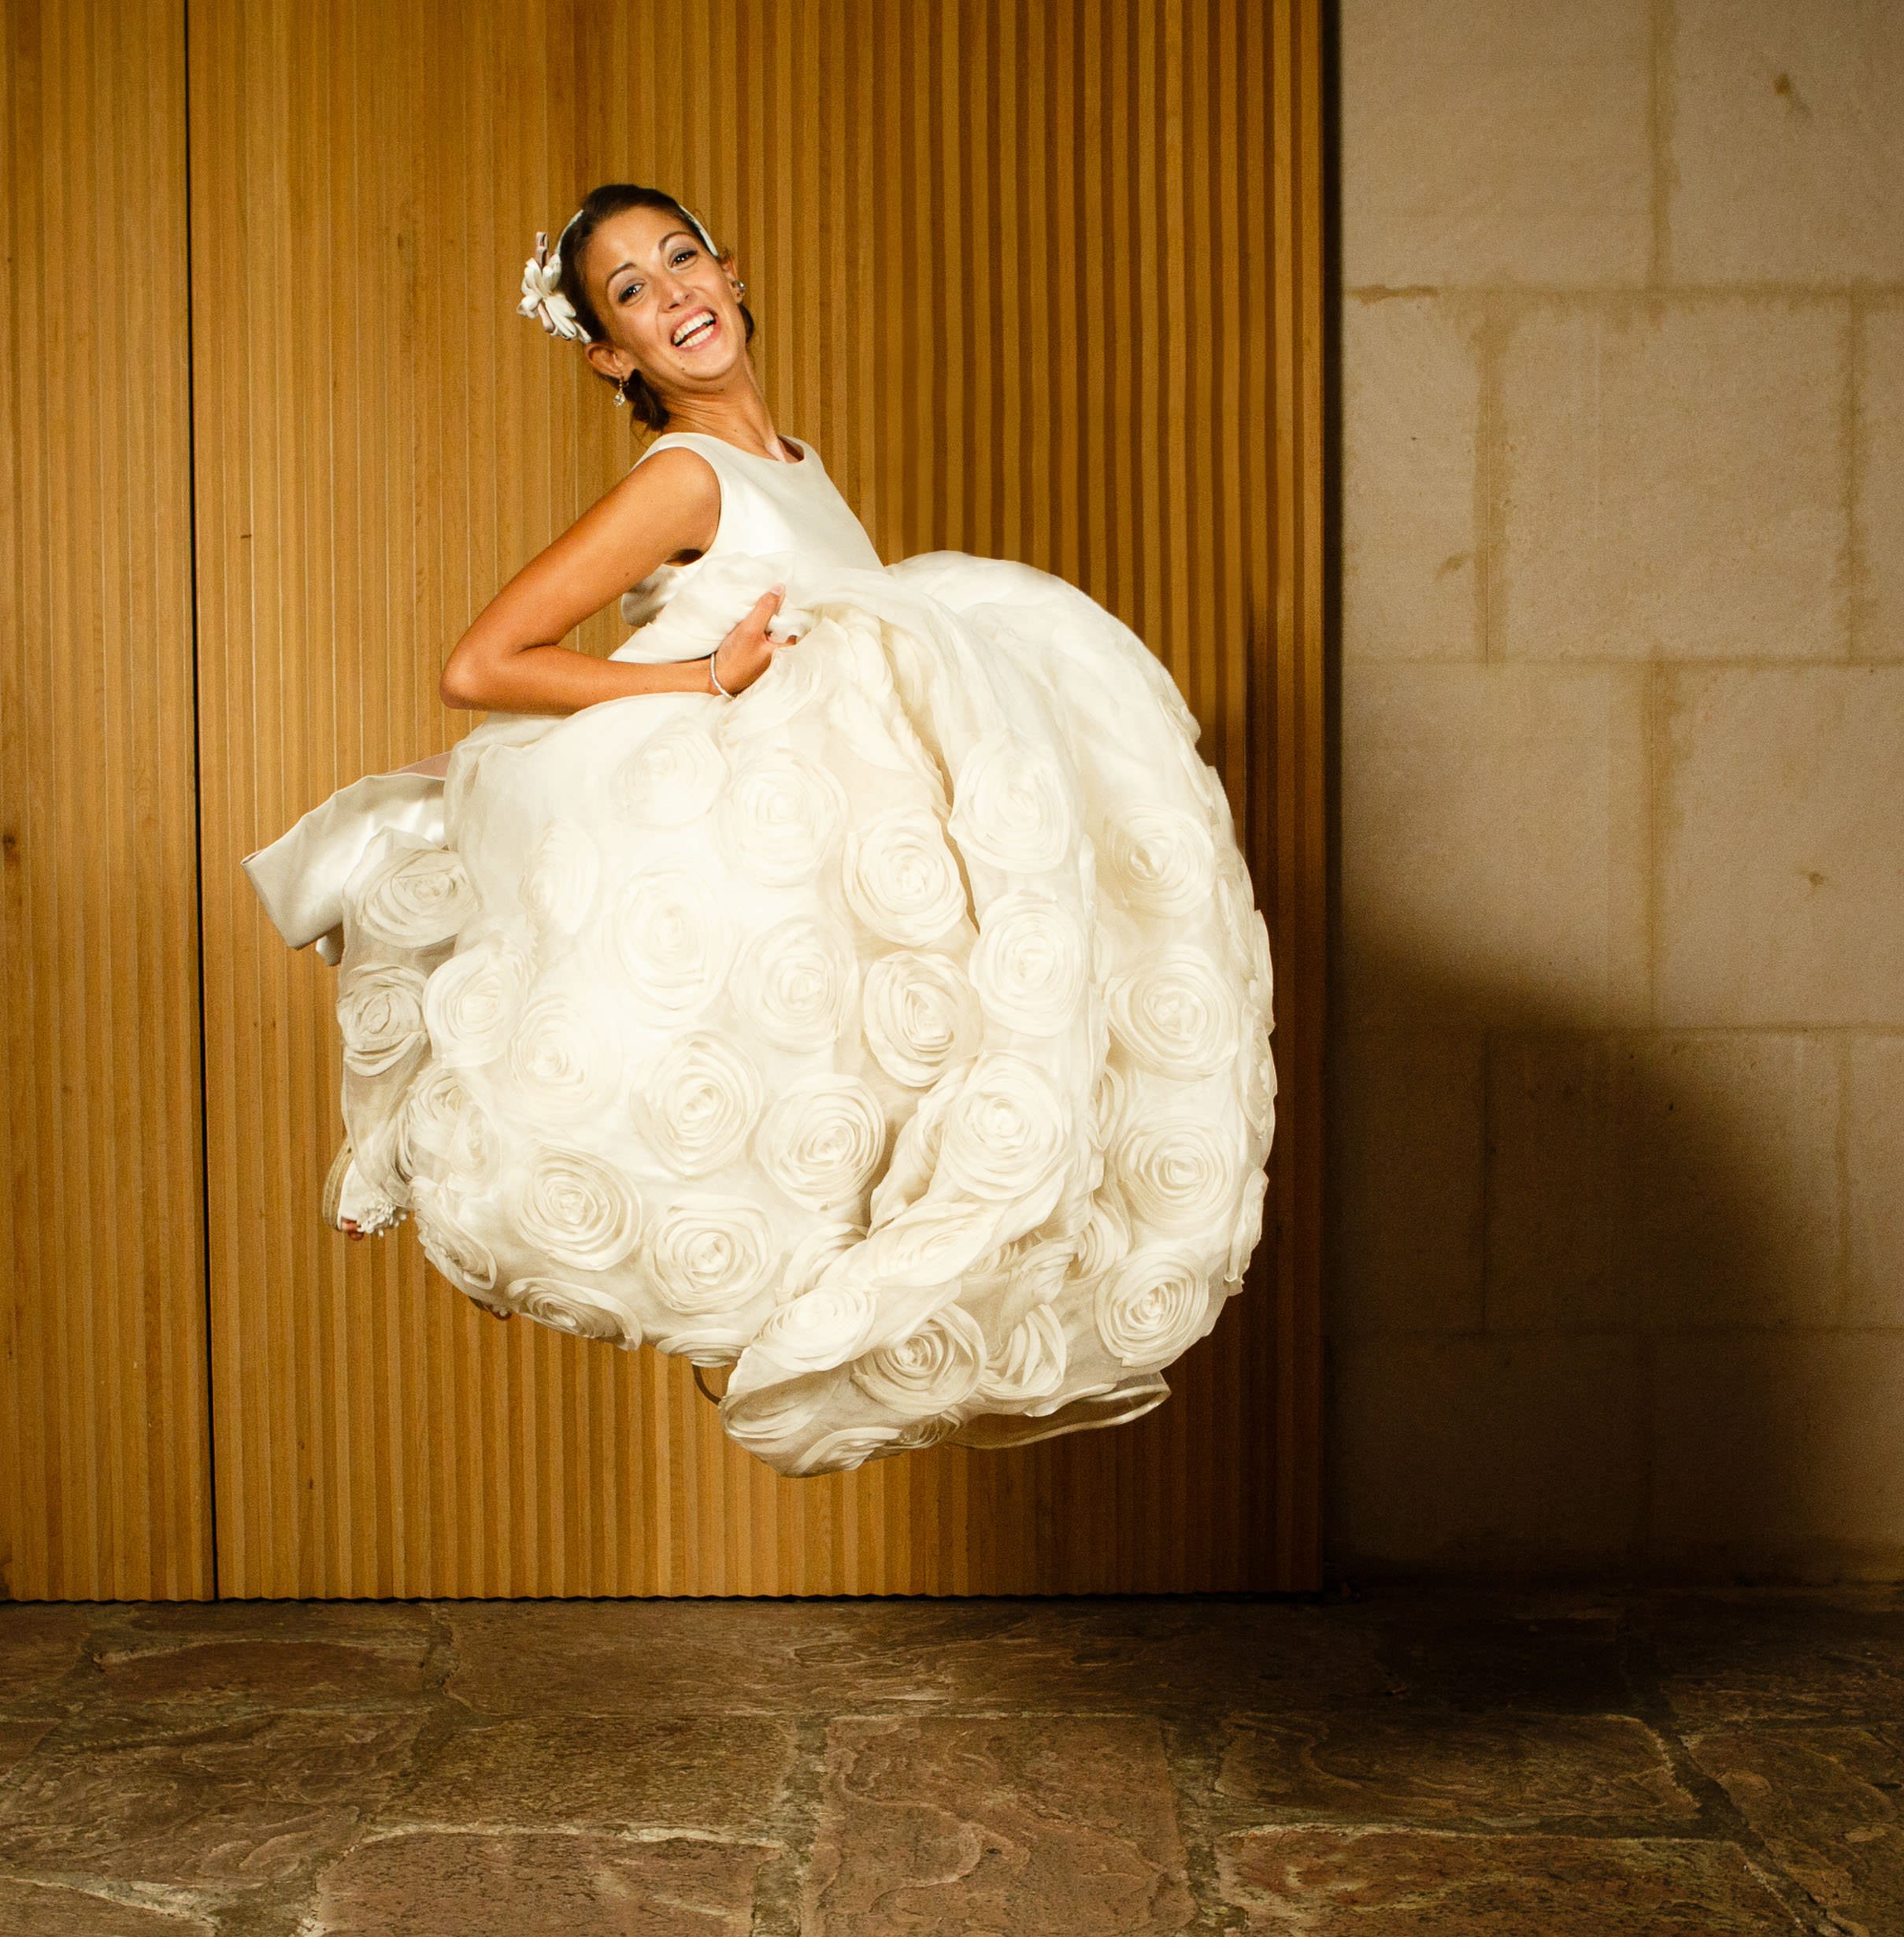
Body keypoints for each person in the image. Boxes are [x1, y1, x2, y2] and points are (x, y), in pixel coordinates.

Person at [242, 182, 1276, 1479]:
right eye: (631, 288)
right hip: (744, 815)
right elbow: (483, 664)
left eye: (682, 259)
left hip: (842, 837)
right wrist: (702, 682)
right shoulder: (685, 476)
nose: (672, 292)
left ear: (731, 275)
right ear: (613, 352)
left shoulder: (800, 469)